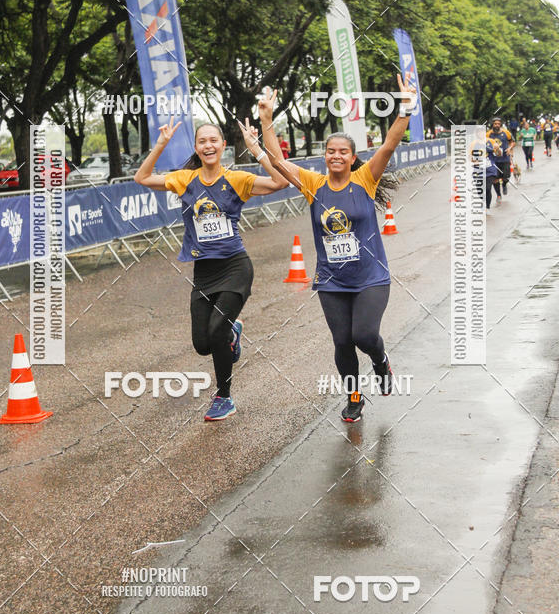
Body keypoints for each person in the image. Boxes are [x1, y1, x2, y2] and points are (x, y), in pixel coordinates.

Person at [258, 76, 416, 423]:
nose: (336, 156)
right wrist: (267, 120)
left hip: (370, 277)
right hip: (332, 281)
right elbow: (277, 161)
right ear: (325, 156)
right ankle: (354, 397)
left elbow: (390, 144)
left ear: (352, 157)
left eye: (343, 151)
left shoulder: (365, 179)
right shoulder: (314, 185)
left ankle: (380, 361)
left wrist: (405, 106)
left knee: (363, 335)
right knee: (342, 342)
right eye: (331, 152)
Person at [134, 117, 288, 421]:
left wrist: (256, 149)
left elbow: (279, 182)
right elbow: (142, 177)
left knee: (216, 331)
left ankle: (224, 396)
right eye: (202, 141)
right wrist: (161, 144)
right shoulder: (185, 179)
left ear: (223, 146)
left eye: (213, 140)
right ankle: (233, 331)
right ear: (196, 147)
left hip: (235, 267)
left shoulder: (237, 179)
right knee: (203, 345)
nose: (208, 145)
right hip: (204, 273)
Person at [486, 117, 513, 197]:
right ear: (492, 124)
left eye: (498, 124)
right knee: (495, 179)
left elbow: (512, 142)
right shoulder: (488, 134)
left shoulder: (506, 132)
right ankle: (498, 195)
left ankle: (504, 184)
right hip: (494, 160)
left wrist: (509, 148)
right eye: (495, 124)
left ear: (500, 124)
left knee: (506, 176)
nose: (497, 125)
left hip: (505, 158)